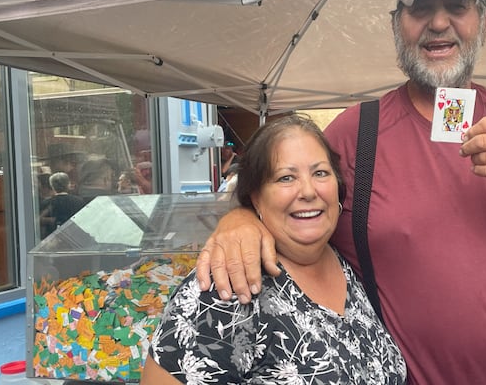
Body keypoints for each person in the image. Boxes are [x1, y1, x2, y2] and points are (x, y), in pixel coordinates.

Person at [195, 0, 486, 384]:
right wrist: (242, 220)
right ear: (397, 23)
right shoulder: (354, 134)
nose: (438, 23)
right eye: (420, 9)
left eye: (457, 6)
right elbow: (295, 208)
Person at [141, 114, 406, 384]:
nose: (308, 191)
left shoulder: (349, 260)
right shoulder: (225, 288)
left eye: (320, 173)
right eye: (285, 178)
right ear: (255, 198)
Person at [39, 172, 86, 237]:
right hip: (75, 237)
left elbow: (39, 220)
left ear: (52, 186)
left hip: (52, 238)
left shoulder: (47, 203)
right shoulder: (79, 201)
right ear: (68, 184)